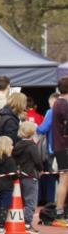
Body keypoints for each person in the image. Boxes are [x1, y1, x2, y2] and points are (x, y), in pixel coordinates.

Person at [13, 121, 43, 233]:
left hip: (19, 176)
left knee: (21, 200)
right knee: (31, 201)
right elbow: (37, 160)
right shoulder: (32, 146)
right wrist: (41, 169)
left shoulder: (17, 145)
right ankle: (27, 223)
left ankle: (19, 221)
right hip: (30, 175)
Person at [51, 76, 68, 226]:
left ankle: (60, 212)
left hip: (60, 146)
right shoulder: (64, 105)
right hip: (64, 146)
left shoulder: (58, 103)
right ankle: (59, 213)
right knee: (64, 179)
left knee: (64, 178)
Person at [0, 136, 17, 234]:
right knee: (4, 205)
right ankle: (1, 225)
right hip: (7, 187)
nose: (12, 147)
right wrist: (17, 175)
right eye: (11, 145)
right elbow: (14, 174)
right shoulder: (10, 160)